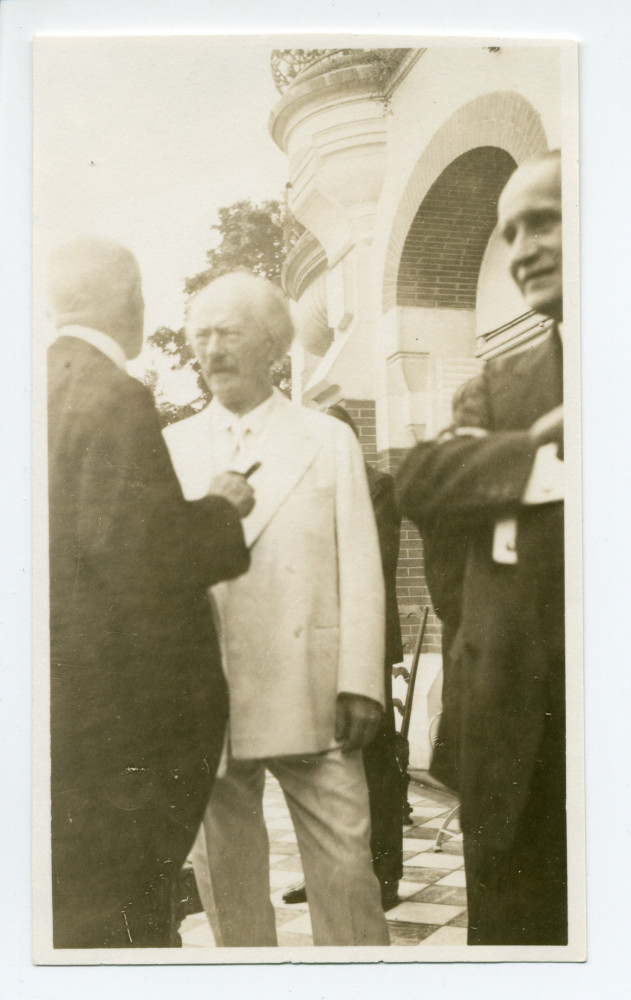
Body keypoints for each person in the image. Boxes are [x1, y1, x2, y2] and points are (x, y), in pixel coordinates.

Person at [164, 272, 390, 947]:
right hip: (211, 693)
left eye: (227, 332)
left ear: (270, 344)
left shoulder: (326, 439)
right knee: (225, 880)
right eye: (200, 334)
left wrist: (361, 681)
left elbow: (360, 565)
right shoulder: (170, 445)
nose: (211, 349)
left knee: (347, 872)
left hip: (312, 688)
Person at [47, 236, 253, 948]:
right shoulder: (113, 394)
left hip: (58, 726)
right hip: (118, 739)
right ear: (130, 298)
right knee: (123, 922)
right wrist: (223, 507)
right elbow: (141, 556)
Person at [398, 151, 567, 945]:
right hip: (514, 749)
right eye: (508, 232)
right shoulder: (504, 384)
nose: (520, 249)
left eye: (546, 219)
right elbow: (424, 482)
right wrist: (534, 457)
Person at [283, 404, 404, 910]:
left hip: (362, 641)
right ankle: (327, 874)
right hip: (312, 642)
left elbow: (367, 566)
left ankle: (384, 876)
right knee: (319, 762)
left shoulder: (377, 486)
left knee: (373, 759)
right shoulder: (309, 490)